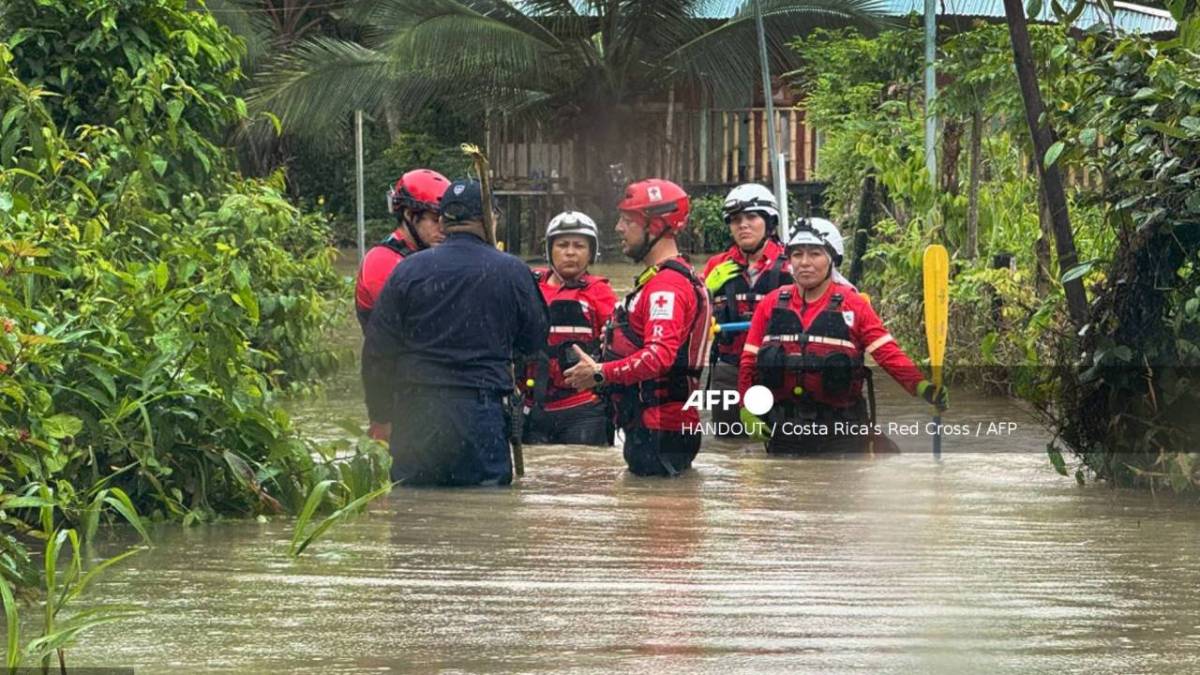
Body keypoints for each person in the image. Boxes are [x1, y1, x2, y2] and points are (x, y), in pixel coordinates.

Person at [362, 179, 548, 486]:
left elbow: (377, 353)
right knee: (485, 516)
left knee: (413, 512)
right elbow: (535, 340)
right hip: (480, 413)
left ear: (445, 220)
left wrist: (381, 416)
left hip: (416, 413)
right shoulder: (512, 271)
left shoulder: (407, 270)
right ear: (490, 218)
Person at [737, 217, 948, 454]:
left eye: (815, 254)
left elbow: (888, 355)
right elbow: (749, 362)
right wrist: (746, 407)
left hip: (842, 434)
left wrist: (922, 387)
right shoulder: (771, 303)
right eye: (797, 254)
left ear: (832, 259)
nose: (805, 263)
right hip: (784, 432)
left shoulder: (853, 305)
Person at [563, 178, 712, 477]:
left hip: (659, 432)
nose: (618, 228)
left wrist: (600, 373)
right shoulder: (662, 280)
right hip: (655, 429)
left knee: (655, 521)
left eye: (628, 220)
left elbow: (658, 357)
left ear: (655, 226)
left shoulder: (666, 287)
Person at [520, 211, 618, 446]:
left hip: (583, 409)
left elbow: (616, 347)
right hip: (530, 407)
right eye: (563, 245)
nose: (571, 252)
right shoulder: (527, 286)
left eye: (579, 246)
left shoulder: (600, 292)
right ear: (549, 251)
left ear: (591, 252)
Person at [701, 184, 791, 433]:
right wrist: (704, 291)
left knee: (781, 445)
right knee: (728, 451)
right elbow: (689, 317)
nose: (743, 225)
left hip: (778, 370)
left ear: (769, 222)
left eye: (752, 217)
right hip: (729, 369)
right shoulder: (716, 266)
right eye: (736, 220)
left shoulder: (795, 264)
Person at [354, 169, 450, 330]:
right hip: (393, 354)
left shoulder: (430, 254)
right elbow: (423, 321)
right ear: (409, 214)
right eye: (435, 220)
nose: (443, 229)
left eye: (447, 221)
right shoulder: (380, 260)